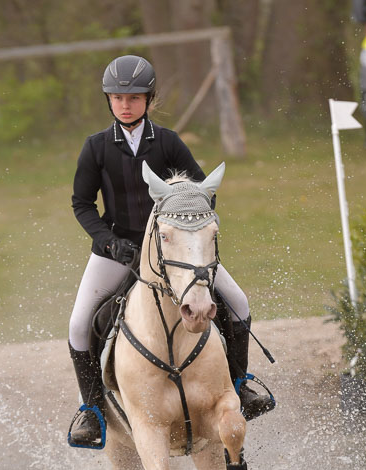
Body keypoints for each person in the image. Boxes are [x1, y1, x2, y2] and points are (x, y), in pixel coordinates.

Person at [68, 54, 273, 446]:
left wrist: (187, 236)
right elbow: (82, 204)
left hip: (175, 250)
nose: (124, 104)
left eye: (133, 97)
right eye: (116, 97)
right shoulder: (95, 148)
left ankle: (242, 384)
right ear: (108, 100)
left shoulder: (167, 142)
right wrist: (108, 241)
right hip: (116, 249)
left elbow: (201, 194)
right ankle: (92, 411)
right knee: (80, 324)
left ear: (149, 98)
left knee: (239, 302)